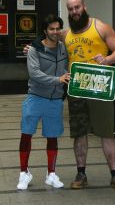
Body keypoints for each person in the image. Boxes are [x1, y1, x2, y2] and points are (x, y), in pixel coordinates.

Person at [24, 0, 115, 192]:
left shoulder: (100, 27)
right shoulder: (66, 33)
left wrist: (107, 59)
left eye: (77, 7)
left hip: (99, 88)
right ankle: (81, 173)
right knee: (79, 134)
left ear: (84, 6)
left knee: (107, 133)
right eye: (70, 9)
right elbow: (48, 37)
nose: (74, 12)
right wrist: (33, 48)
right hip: (77, 89)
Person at [17, 14, 70, 190]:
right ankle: (24, 173)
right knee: (26, 134)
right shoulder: (34, 49)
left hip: (55, 100)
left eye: (57, 28)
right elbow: (35, 74)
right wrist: (58, 80)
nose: (55, 32)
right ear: (45, 31)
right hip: (35, 97)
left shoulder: (64, 48)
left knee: (52, 137)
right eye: (51, 29)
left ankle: (51, 174)